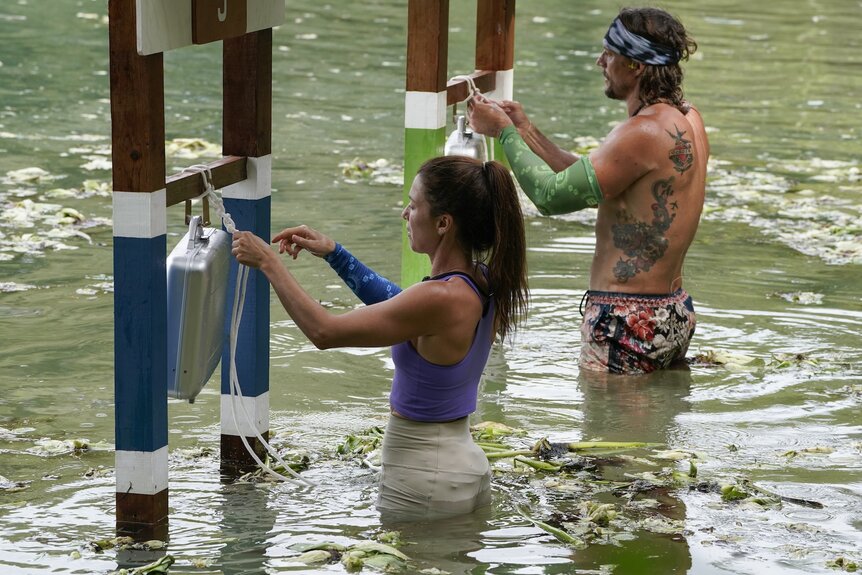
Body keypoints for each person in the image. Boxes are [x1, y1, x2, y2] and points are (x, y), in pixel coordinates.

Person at [231, 155, 529, 520]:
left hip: (424, 477)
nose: (405, 214)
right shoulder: (481, 282)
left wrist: (269, 263)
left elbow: (324, 331)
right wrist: (335, 255)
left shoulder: (440, 298)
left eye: (414, 204)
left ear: (443, 223)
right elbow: (397, 303)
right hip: (459, 465)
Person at [468, 7, 708, 375]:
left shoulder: (641, 133)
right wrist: (526, 130)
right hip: (671, 312)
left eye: (609, 53)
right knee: (647, 432)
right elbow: (591, 179)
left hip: (626, 321)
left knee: (605, 431)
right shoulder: (687, 119)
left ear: (636, 66)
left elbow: (549, 196)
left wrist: (504, 133)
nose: (600, 61)